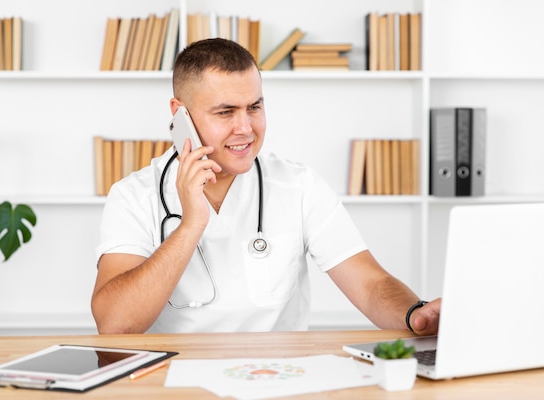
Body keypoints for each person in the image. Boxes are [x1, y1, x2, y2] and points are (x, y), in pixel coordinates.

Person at [91, 38, 441, 335]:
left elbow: (370, 285)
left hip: (274, 380)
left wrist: (416, 315)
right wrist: (191, 226)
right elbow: (114, 324)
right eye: (225, 112)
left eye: (254, 107)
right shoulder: (134, 196)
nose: (246, 128)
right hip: (172, 389)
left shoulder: (298, 186)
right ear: (180, 114)